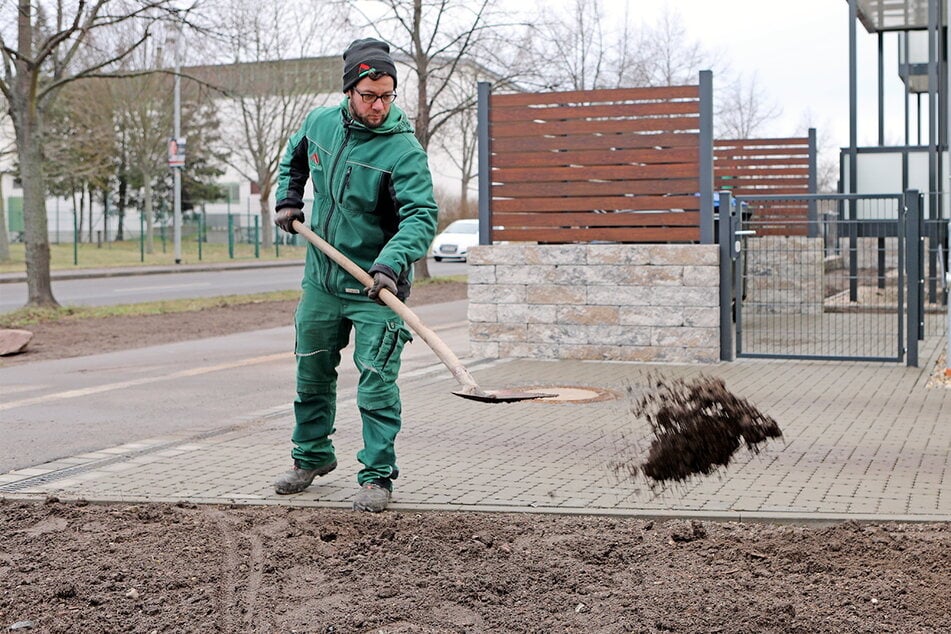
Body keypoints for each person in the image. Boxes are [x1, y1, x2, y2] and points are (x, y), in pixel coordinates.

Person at [272, 37, 438, 513]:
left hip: (375, 287)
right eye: (369, 95)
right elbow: (294, 158)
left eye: (387, 95)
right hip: (321, 282)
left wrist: (391, 262)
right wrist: (289, 198)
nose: (379, 105)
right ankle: (311, 458)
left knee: (377, 383)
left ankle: (377, 475)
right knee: (311, 372)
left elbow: (421, 216)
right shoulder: (320, 123)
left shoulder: (403, 150)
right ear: (350, 91)